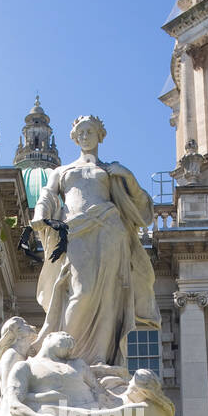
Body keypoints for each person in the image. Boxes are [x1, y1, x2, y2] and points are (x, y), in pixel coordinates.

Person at [32, 115, 160, 368]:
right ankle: (64, 354)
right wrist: (39, 216)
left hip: (110, 229)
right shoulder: (62, 170)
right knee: (82, 291)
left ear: (100, 135)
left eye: (90, 131)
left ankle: (100, 360)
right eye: (81, 132)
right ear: (74, 137)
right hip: (76, 229)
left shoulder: (111, 170)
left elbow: (142, 205)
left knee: (109, 296)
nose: (85, 136)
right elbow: (47, 195)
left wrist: (128, 176)